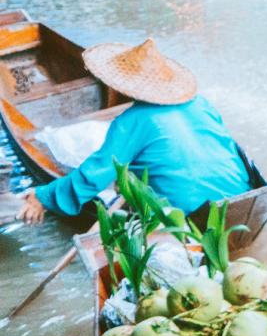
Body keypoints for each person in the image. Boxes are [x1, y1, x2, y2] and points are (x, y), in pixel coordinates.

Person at [19, 39, 250, 224]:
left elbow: (93, 176)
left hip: (191, 214)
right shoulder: (201, 103)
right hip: (244, 200)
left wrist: (43, 197)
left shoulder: (133, 121)